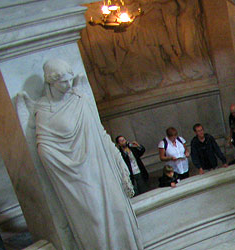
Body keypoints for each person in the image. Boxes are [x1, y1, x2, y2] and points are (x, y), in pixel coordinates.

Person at [15, 59, 144, 249]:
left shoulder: (80, 99)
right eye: (62, 82)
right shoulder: (44, 110)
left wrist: (117, 161)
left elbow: (100, 133)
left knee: (118, 211)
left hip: (101, 169)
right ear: (51, 82)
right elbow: (44, 148)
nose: (68, 85)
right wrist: (61, 160)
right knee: (95, 221)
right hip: (76, 180)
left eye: (69, 80)